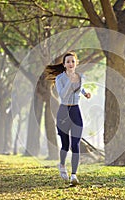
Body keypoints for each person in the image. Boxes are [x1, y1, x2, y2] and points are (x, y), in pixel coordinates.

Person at [45, 52, 91, 185]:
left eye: (73, 61)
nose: (71, 64)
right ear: (64, 65)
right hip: (64, 112)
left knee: (75, 144)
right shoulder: (60, 78)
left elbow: (80, 88)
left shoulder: (81, 77)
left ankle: (74, 175)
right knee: (65, 145)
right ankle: (62, 165)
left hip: (76, 111)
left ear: (76, 63)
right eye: (68, 62)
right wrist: (70, 81)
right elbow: (63, 95)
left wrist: (85, 93)